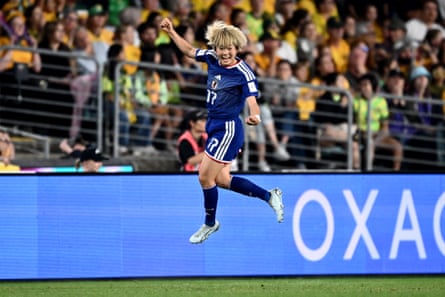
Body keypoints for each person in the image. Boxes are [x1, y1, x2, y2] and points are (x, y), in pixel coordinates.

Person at [160, 17, 284, 244]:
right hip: (213, 124)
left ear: (237, 48)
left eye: (229, 48)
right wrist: (171, 32)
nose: (224, 53)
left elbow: (252, 99)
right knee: (223, 180)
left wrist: (255, 114)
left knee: (204, 177)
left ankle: (210, 223)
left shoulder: (243, 72)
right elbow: (188, 50)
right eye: (221, 48)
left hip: (228, 128)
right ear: (215, 47)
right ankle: (269, 196)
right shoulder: (211, 58)